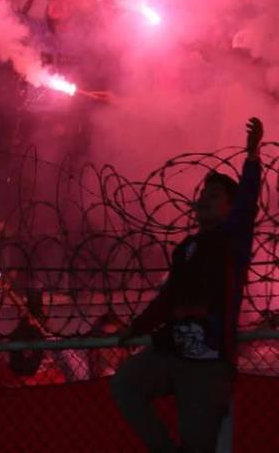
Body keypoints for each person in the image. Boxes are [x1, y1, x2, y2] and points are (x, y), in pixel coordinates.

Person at [111, 117, 264, 453]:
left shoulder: (232, 242)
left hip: (207, 365)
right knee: (124, 384)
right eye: (203, 194)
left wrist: (252, 158)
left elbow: (247, 203)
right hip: (171, 353)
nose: (203, 200)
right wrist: (136, 326)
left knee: (198, 443)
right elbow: (169, 298)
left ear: (230, 207)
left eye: (214, 196)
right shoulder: (186, 249)